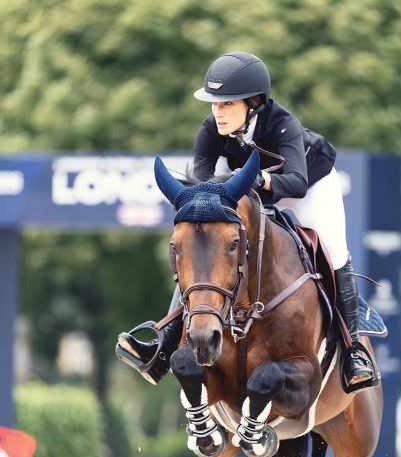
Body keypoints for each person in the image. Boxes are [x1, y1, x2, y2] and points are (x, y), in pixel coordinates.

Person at [116, 50, 374, 391]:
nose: (217, 112)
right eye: (214, 103)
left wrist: (260, 181)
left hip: (308, 185)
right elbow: (202, 186)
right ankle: (164, 346)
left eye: (226, 104)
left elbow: (295, 180)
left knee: (335, 250)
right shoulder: (212, 128)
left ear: (252, 102)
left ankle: (353, 347)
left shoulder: (283, 124)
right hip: (249, 184)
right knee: (203, 241)